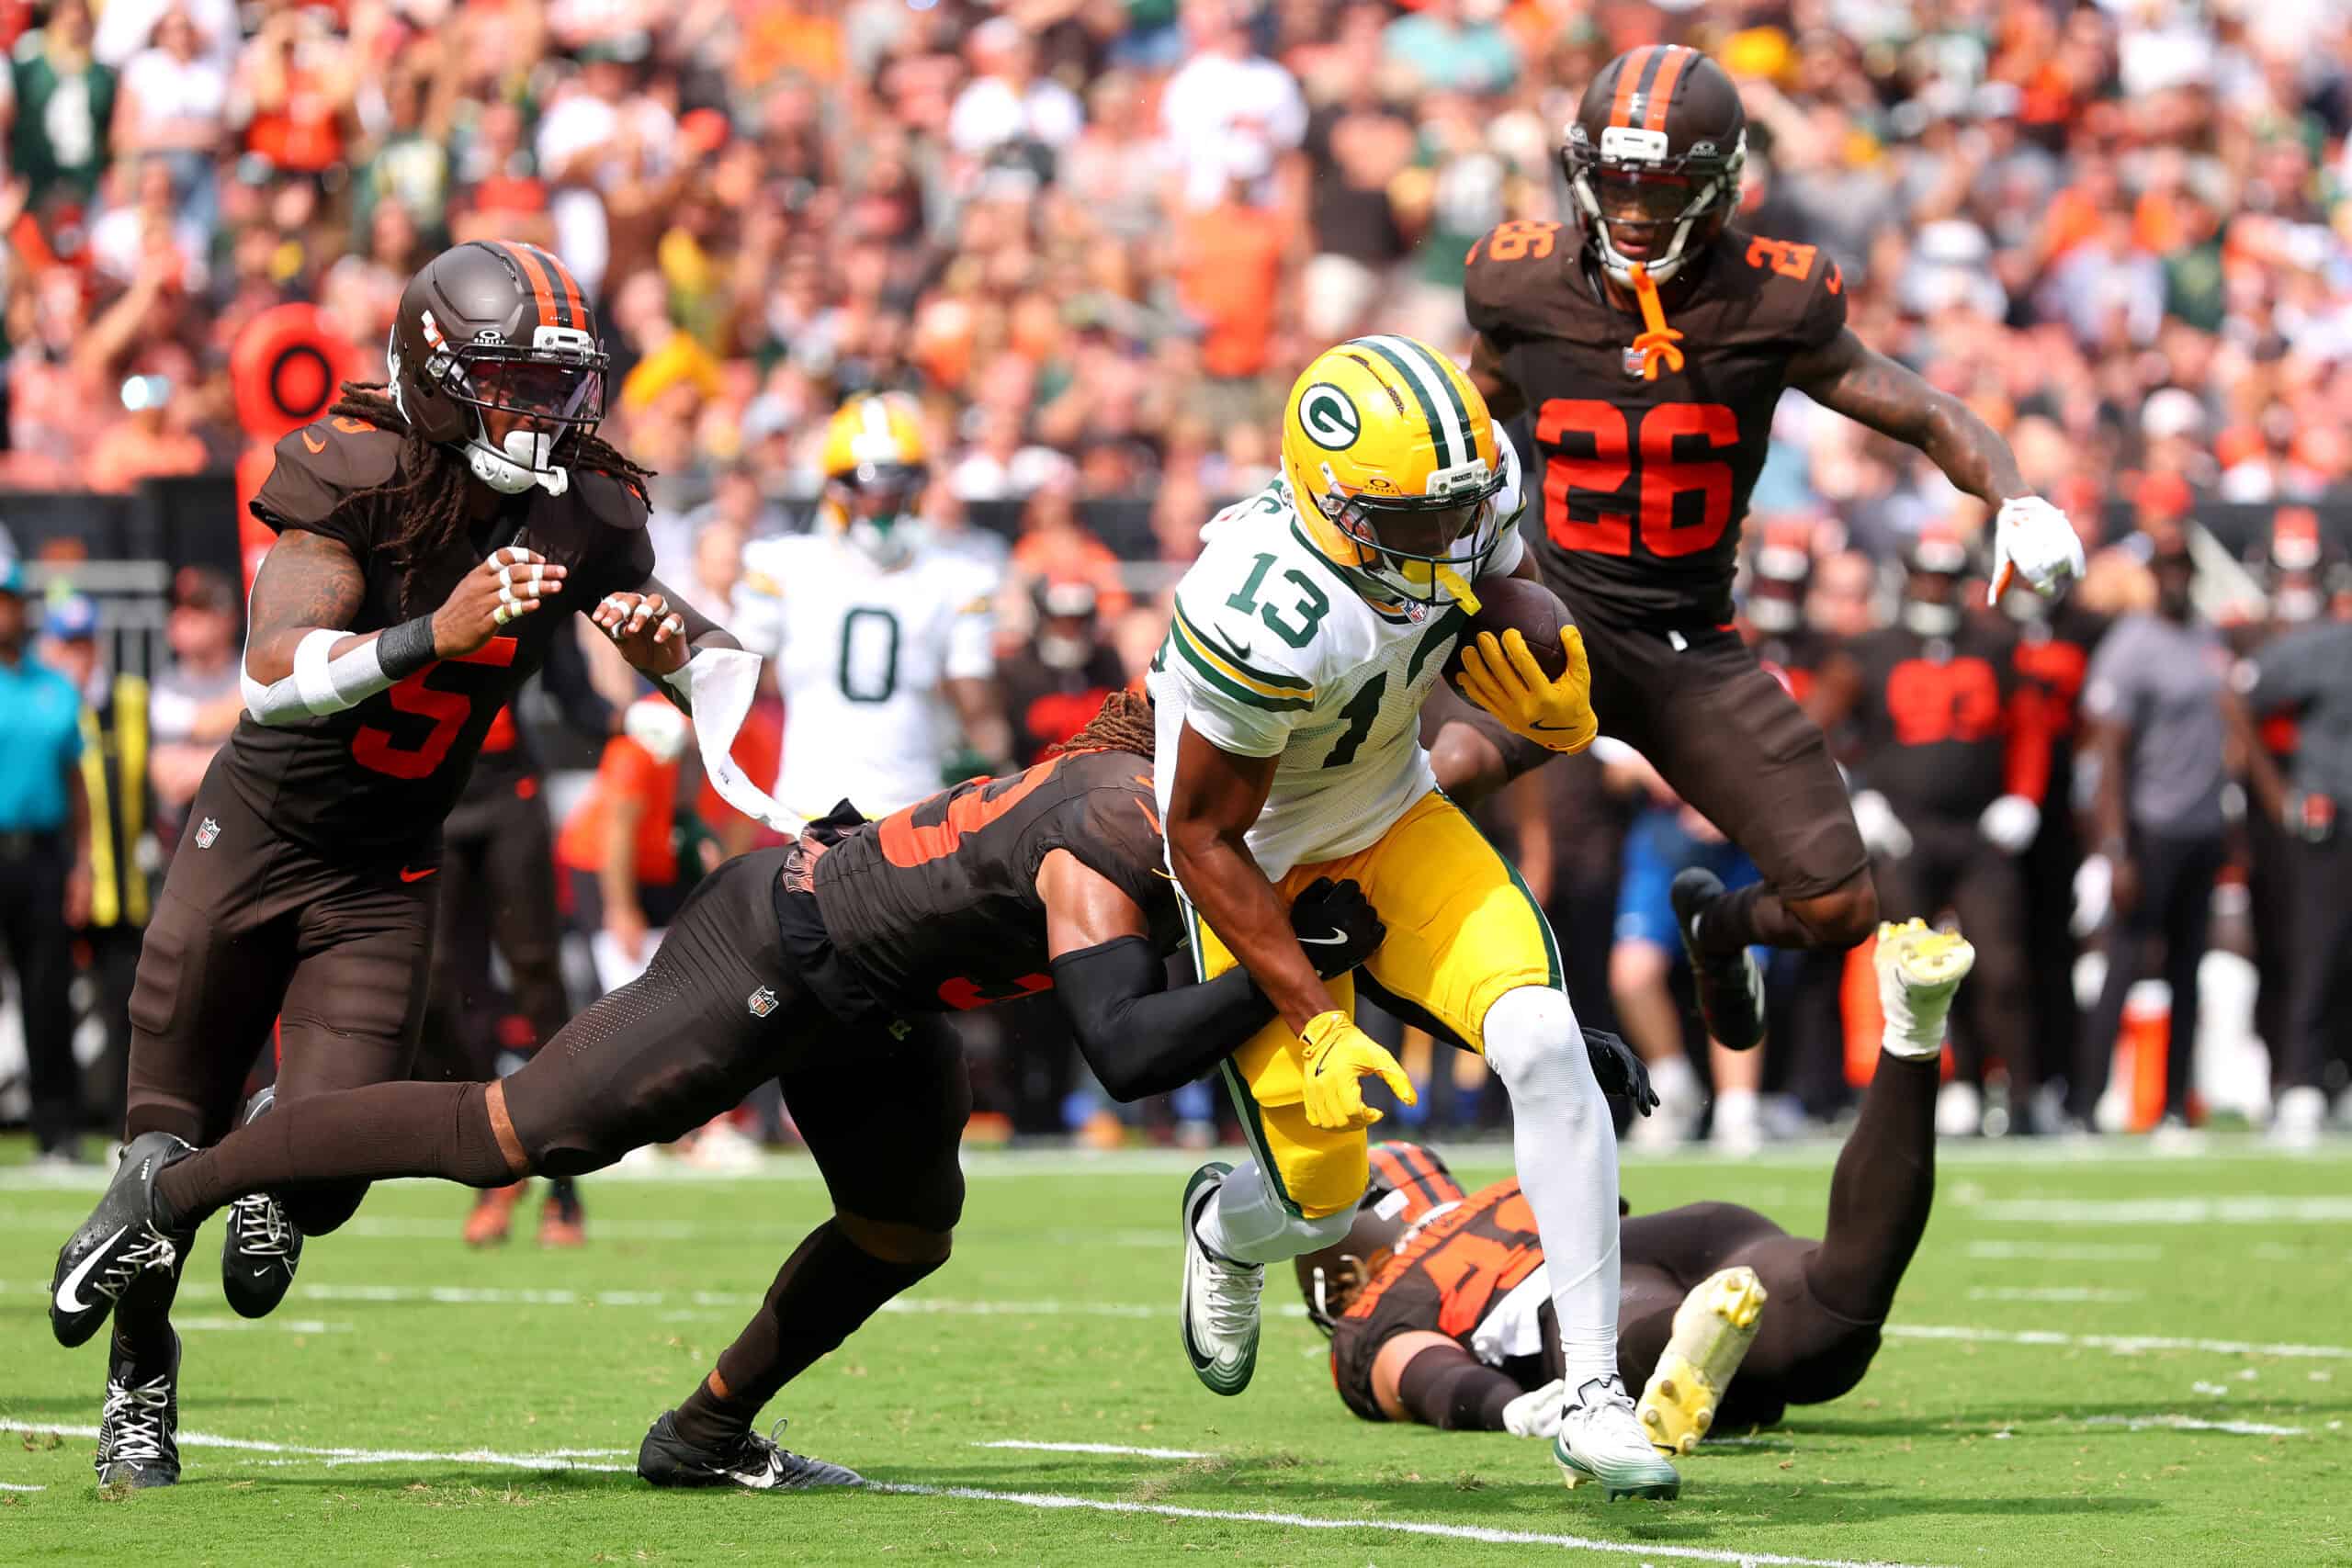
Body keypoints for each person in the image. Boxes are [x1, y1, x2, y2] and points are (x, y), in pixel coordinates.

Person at [49, 694, 1387, 1491]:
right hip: (782, 943)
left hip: (882, 994)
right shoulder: (1108, 830)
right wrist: (1301, 962)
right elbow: (1129, 1049)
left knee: (906, 1225)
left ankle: (703, 1432)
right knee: (515, 1130)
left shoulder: (1141, 805)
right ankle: (178, 1182)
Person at [73, 239, 737, 1490]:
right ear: (435, 377)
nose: (544, 416)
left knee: (323, 1182)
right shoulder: (356, 469)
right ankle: (140, 1382)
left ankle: (286, 1142)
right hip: (254, 844)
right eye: (511, 384)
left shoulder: (581, 508)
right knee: (161, 1140)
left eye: (559, 387)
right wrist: (435, 629)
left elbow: (709, 654)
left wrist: (679, 650)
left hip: (383, 870)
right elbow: (271, 677)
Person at [1437, 45, 2086, 1061]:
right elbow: (1466, 403)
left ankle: (1717, 929)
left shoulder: (1774, 300)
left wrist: (2014, 494)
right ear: (1579, 175)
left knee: (1837, 905)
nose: (1636, 213)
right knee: (1449, 768)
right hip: (1553, 616)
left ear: (1720, 187)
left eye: (1661, 189)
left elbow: (1918, 408)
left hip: (1691, 645)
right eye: (1615, 183)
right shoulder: (1516, 282)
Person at [1149, 334, 1680, 1500]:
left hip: (1397, 812)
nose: (1444, 540)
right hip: (1263, 861)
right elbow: (1198, 836)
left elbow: (1502, 596)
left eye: (1457, 511)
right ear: (1328, 501)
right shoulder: (1260, 610)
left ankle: (1594, 1395)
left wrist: (1553, 696)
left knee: (1543, 1043)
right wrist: (1310, 1011)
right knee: (1322, 1197)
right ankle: (1228, 1229)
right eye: (1414, 522)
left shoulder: (1463, 486)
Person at [1306, 921, 1973, 1454]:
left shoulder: (1377, 1304)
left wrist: (1502, 1405)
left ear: (1343, 1269)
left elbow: (1419, 1372)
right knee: (1833, 1322)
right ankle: (1913, 1035)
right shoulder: (1498, 1198)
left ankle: (1686, 1341)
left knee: (1629, 1341)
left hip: (1581, 1296)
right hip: (1680, 1234)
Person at [1804, 524, 2048, 1136]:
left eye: (1946, 576)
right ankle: (1933, 1092)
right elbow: (1810, 729)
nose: (1935, 589)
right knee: (1910, 972)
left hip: (1977, 830)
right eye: (1927, 575)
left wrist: (2023, 796)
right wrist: (1856, 796)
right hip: (1903, 832)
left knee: (2002, 964)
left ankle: (2020, 1094)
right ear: (1908, 577)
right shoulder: (1870, 649)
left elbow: (2031, 727)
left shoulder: (1995, 644)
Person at [731, 392, 1012, 820]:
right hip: (806, 809)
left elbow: (977, 708)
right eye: (866, 488)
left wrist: (996, 759)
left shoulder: (955, 579)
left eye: (894, 487)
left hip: (914, 809)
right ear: (835, 489)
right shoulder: (785, 566)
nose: (880, 501)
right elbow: (736, 682)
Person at [430, 623, 614, 1247]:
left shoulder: (522, 567)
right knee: (441, 987)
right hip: (431, 794)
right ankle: (496, 1164)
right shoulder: (407, 567)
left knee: (538, 978)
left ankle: (564, 1178)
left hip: (509, 788)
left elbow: (572, 688)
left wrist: (629, 720)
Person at [2068, 530, 2229, 1136]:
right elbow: (2108, 755)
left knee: (2189, 968)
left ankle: (2171, 1103)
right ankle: (2086, 1102)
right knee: (2124, 963)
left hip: (2202, 824)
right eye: (2165, 566)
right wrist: (2115, 847)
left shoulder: (2206, 636)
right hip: (2149, 826)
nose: (2175, 577)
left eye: (2182, 565)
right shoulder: (2131, 646)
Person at [2232, 591, 2352, 1147]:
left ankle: (2339, 1077)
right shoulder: (2323, 646)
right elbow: (2240, 697)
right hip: (2332, 820)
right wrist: (2278, 792)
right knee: (2319, 948)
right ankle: (2302, 1079)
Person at [40, 593, 154, 1142]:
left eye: (84, 642)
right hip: (55, 882)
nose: (77, 655)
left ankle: (124, 1126)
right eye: (67, 643)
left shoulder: (130, 698)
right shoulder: (43, 702)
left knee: (127, 1011)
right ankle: (57, 1130)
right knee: (48, 1005)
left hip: (123, 888)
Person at [0, 561, 96, 1163]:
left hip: (40, 856)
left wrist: (84, 866)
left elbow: (76, 781)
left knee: (47, 994)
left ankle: (56, 1129)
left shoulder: (55, 686)